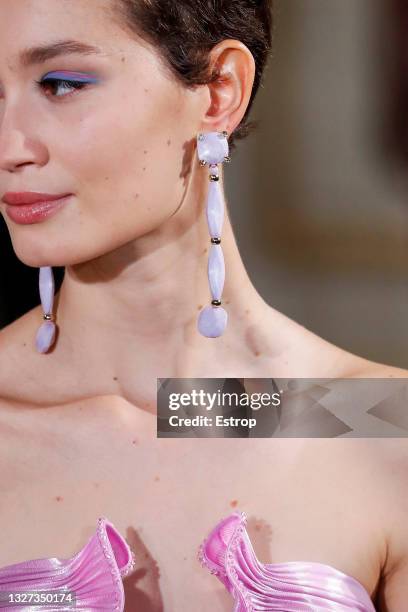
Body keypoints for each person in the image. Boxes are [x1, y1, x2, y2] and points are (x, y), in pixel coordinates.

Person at [0, 1, 407, 610]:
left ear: (219, 92)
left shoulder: (381, 422)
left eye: (61, 84)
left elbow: (195, 409)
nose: (11, 147)